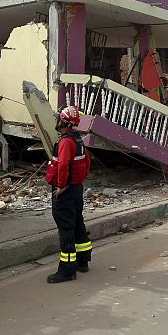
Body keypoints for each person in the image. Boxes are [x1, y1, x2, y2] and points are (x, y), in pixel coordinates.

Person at [46, 106, 92, 284]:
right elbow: (86, 161)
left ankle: (67, 270)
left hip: (65, 190)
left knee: (65, 230)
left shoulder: (66, 141)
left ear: (63, 122)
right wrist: (77, 182)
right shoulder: (78, 140)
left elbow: (63, 165)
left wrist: (61, 185)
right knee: (77, 223)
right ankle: (83, 261)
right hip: (76, 188)